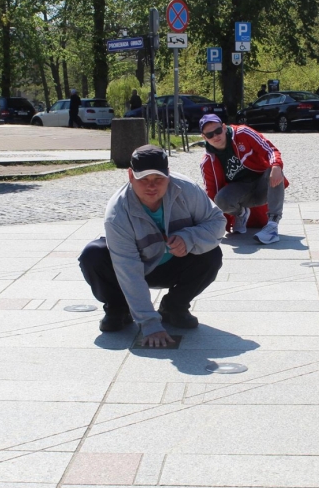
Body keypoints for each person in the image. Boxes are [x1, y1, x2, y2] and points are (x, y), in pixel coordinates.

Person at [79, 145, 226, 347]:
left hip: (176, 263)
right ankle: (118, 307)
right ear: (130, 176)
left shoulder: (187, 189)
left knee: (212, 254)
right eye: (143, 179)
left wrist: (189, 238)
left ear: (168, 174)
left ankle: (174, 306)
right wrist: (150, 324)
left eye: (158, 179)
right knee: (92, 255)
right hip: (136, 266)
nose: (151, 186)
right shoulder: (117, 212)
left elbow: (217, 222)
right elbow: (128, 269)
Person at [198, 114, 287, 244]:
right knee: (220, 200)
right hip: (242, 192)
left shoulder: (243, 133)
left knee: (273, 168)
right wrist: (212, 225)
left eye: (218, 131)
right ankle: (241, 214)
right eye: (210, 135)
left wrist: (277, 165)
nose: (216, 136)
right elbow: (212, 194)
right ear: (204, 137)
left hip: (263, 185)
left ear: (224, 127)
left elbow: (269, 149)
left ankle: (273, 225)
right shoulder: (207, 162)